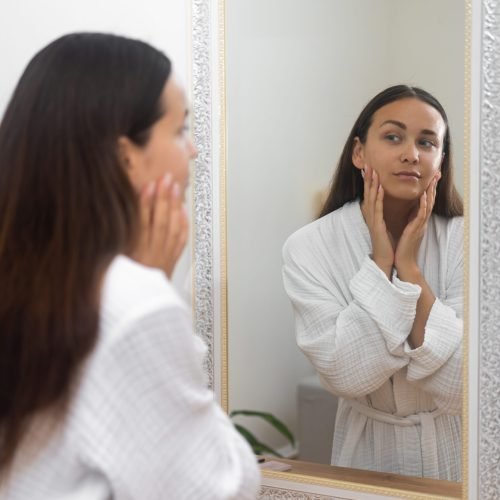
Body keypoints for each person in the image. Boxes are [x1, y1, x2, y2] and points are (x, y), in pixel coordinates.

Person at [0, 33, 260, 499]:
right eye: (181, 130)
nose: (194, 151)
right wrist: (151, 286)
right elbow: (220, 489)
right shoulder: (134, 302)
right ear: (125, 158)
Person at [282, 85, 463, 481]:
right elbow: (347, 374)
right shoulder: (308, 247)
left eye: (427, 142)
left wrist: (411, 271)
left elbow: (464, 384)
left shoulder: (470, 241)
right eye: (393, 136)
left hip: (455, 451)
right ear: (359, 152)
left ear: (441, 162)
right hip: (365, 450)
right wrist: (381, 264)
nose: (411, 154)